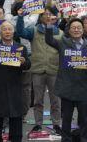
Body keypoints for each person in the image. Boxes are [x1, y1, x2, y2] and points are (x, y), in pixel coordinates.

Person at [45, 18, 87, 142]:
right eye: (73, 27)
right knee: (67, 119)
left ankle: (85, 139)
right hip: (67, 87)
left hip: (83, 87)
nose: (76, 30)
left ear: (83, 29)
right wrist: (49, 25)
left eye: (79, 27)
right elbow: (49, 40)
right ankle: (66, 139)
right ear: (69, 30)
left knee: (84, 119)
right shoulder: (63, 42)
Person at [15, 7, 63, 136]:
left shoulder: (60, 32)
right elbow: (20, 32)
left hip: (54, 69)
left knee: (56, 100)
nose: (48, 16)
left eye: (50, 14)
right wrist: (20, 17)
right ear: (40, 17)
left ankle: (57, 124)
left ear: (55, 17)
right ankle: (38, 124)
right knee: (38, 100)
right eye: (45, 14)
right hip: (37, 69)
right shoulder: (34, 30)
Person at [0, 21, 30, 142]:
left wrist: (24, 62)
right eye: (4, 29)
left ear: (13, 32)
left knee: (16, 118)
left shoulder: (21, 48)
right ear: (0, 32)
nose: (7, 32)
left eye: (9, 29)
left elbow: (28, 65)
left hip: (15, 86)